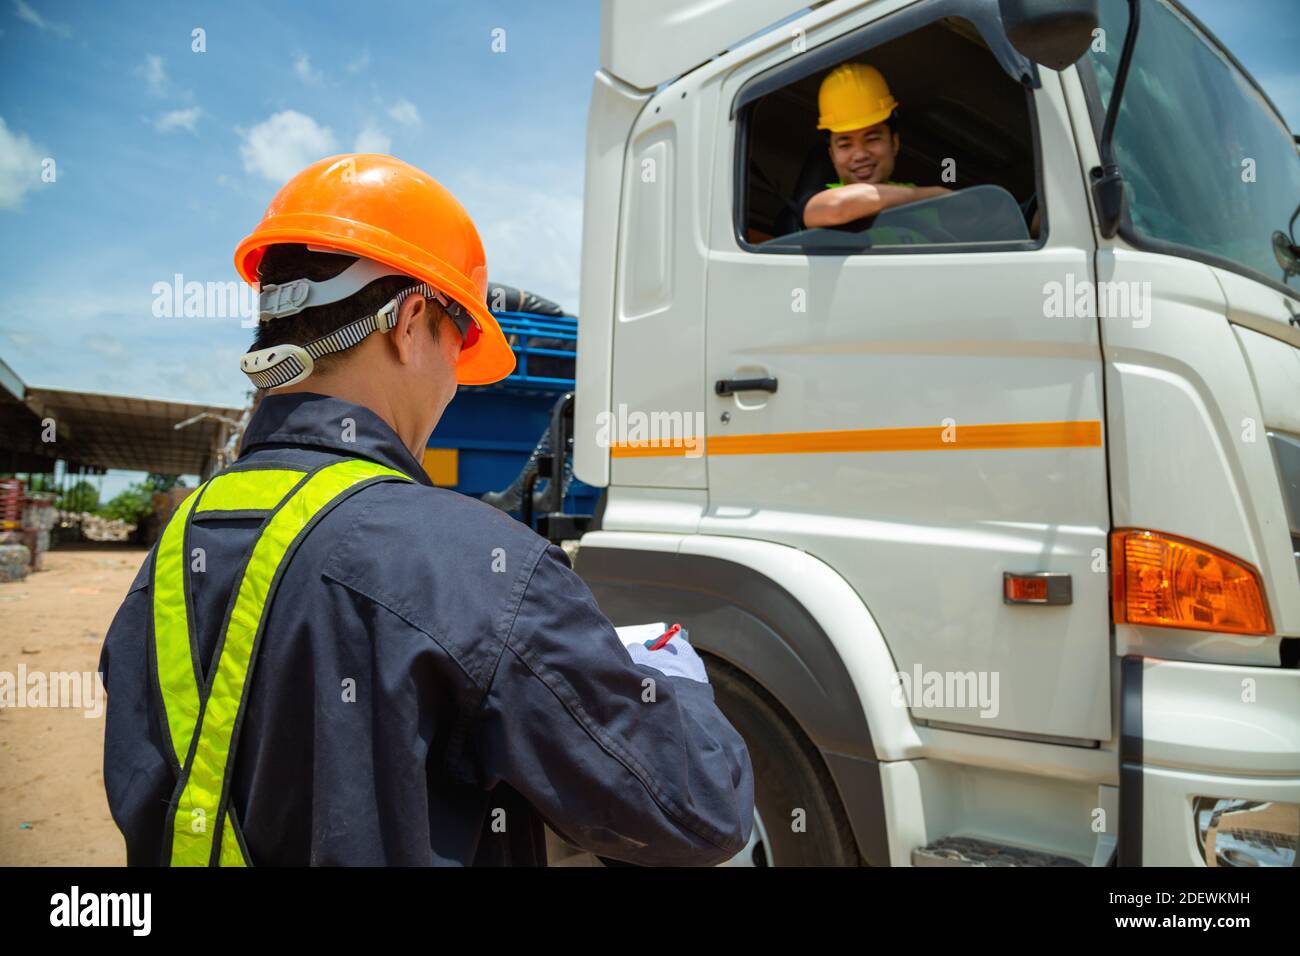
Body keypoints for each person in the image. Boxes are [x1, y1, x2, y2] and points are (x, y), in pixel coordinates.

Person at [98, 153, 754, 867]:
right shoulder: (473, 567)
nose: (452, 387)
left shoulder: (174, 551)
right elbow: (697, 812)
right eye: (457, 346)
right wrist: (678, 689)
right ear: (411, 322)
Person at [799, 62, 951, 231]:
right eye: (845, 145)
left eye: (872, 139)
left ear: (894, 143)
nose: (860, 155)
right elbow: (837, 208)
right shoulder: (821, 202)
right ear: (832, 155)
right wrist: (933, 195)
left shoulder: (920, 203)